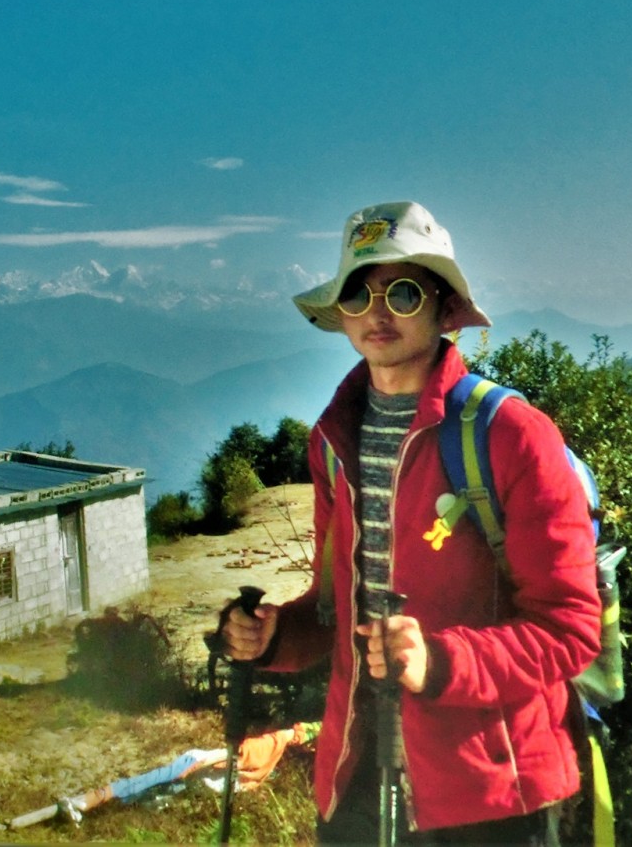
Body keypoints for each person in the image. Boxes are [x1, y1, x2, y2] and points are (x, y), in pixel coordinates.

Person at [215, 201, 600, 845]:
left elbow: (569, 628)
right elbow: (338, 613)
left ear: (443, 307)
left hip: (488, 795)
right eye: (359, 293)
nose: (378, 311)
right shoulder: (334, 441)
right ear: (340, 313)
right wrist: (274, 638)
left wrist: (439, 661)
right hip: (356, 779)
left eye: (402, 291)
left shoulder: (512, 435)